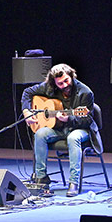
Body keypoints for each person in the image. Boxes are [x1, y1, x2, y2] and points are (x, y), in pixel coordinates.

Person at [21, 63, 102, 197]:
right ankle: (41, 179)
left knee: (73, 138)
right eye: (60, 83)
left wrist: (69, 119)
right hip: (58, 128)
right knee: (40, 134)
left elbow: (87, 120)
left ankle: (73, 182)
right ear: (54, 83)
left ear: (71, 76)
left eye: (66, 80)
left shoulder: (85, 92)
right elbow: (27, 93)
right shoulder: (49, 87)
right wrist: (26, 112)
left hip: (81, 129)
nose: (64, 85)